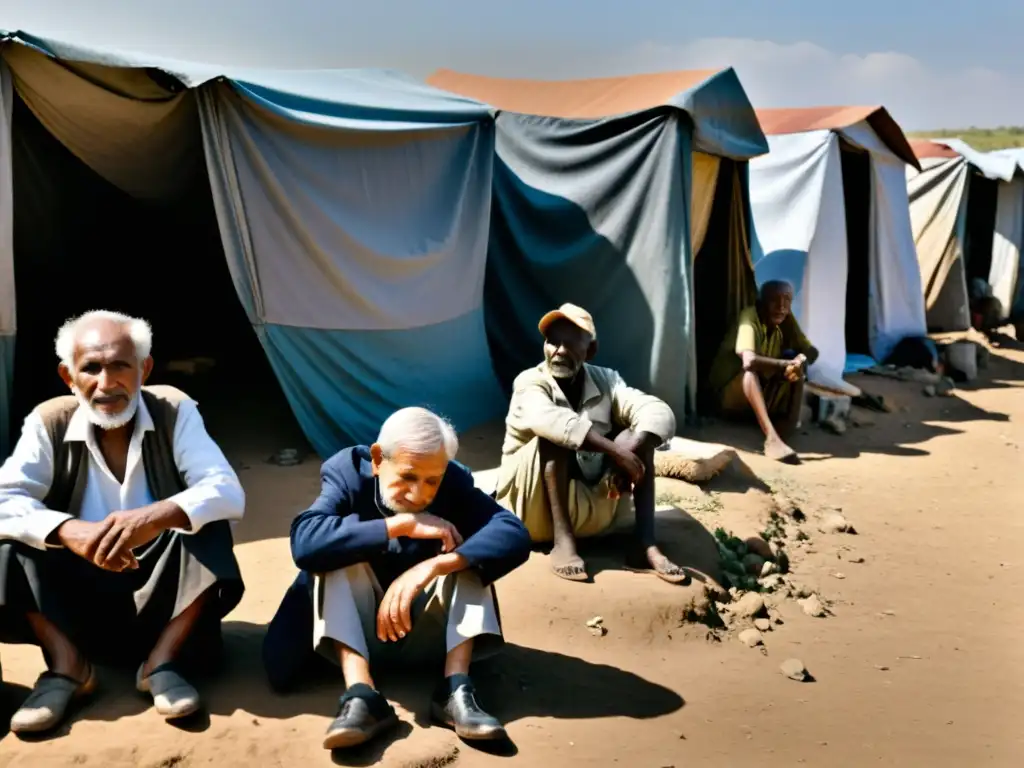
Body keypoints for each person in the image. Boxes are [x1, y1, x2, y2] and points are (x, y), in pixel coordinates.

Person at [0, 310, 245, 734]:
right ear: (68, 376)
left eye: (119, 365)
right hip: (75, 607)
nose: (106, 383)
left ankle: (161, 664)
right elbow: (5, 498)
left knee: (203, 521)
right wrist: (66, 530)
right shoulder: (49, 421)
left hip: (163, 603)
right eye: (91, 368)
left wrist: (158, 514)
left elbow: (225, 489)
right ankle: (67, 666)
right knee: (9, 546)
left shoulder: (173, 409)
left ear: (144, 369)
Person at [263, 407, 531, 751]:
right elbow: (305, 541)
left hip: (426, 637)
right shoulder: (347, 473)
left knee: (470, 556)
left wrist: (436, 566)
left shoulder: (453, 480)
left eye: (431, 481)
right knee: (333, 553)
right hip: (353, 634)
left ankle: (456, 690)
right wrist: (399, 525)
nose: (419, 494)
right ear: (377, 459)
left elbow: (512, 532)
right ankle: (362, 696)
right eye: (407, 477)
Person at [493, 303, 685, 584]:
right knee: (555, 436)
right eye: (552, 342)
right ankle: (563, 543)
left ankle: (644, 543)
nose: (558, 351)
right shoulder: (530, 381)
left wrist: (629, 450)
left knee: (638, 434)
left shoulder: (606, 380)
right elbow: (551, 421)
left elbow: (656, 411)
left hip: (595, 506)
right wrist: (615, 452)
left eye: (569, 344)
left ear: (590, 351)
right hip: (530, 509)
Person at [708, 280, 819, 463]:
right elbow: (749, 361)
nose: (781, 306)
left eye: (787, 300)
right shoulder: (749, 317)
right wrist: (786, 364)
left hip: (758, 395)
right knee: (750, 373)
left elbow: (812, 352)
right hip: (727, 396)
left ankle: (786, 430)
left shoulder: (785, 317)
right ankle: (771, 438)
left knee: (797, 371)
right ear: (762, 302)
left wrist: (800, 360)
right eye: (775, 300)